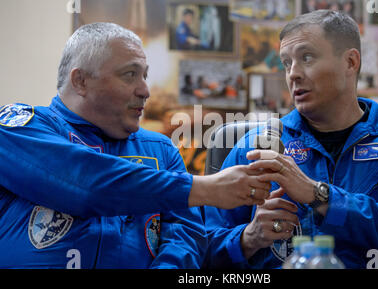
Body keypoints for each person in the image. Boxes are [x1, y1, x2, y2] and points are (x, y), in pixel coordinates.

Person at [0, 22, 271, 268]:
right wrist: (204, 188)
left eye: (145, 75)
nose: (145, 90)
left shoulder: (161, 150)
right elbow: (84, 183)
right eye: (130, 75)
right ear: (80, 81)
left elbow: (183, 237)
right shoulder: (18, 127)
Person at [202, 10, 378, 269]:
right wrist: (248, 238)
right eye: (286, 62)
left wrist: (320, 197)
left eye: (306, 57)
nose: (292, 73)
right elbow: (200, 248)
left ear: (350, 62)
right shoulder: (253, 147)